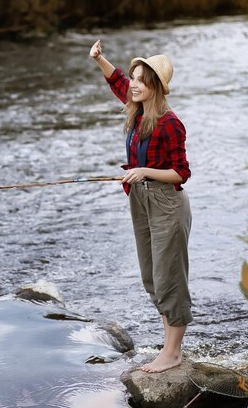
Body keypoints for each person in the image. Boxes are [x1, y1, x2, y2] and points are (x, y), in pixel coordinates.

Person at [89, 39, 192, 373]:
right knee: (151, 278)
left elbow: (181, 173)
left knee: (169, 278)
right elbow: (117, 82)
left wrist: (144, 172)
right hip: (140, 201)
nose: (132, 84)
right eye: (132, 78)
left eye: (139, 79)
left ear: (155, 87)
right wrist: (100, 59)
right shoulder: (137, 108)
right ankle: (169, 346)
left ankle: (173, 353)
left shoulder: (169, 123)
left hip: (166, 203)